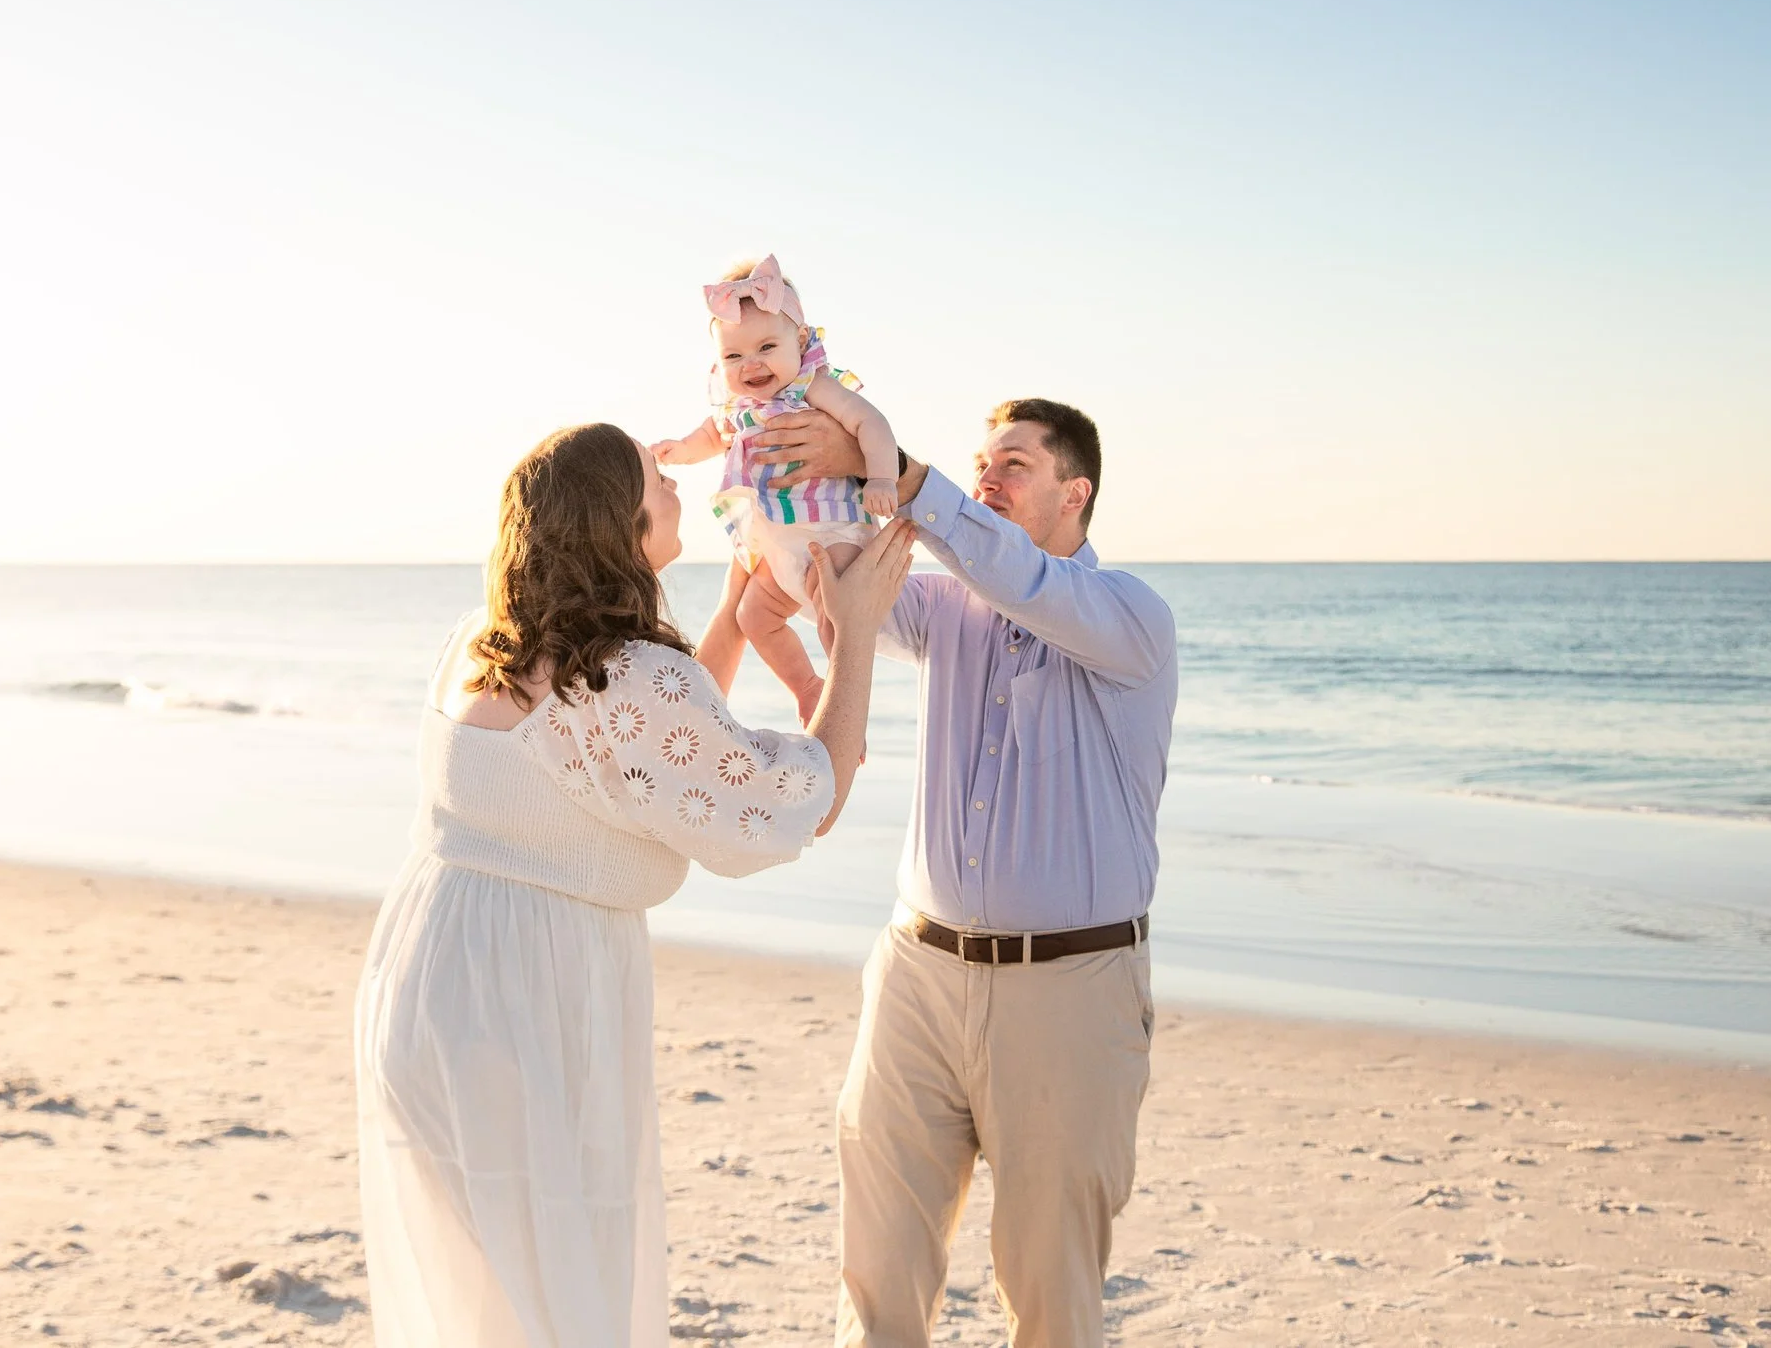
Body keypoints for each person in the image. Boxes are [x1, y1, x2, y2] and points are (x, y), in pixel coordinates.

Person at [353, 421, 916, 1347]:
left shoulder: (480, 642)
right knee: (559, 1288)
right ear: (615, 522)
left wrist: (735, 613)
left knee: (485, 1292)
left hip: (428, 979)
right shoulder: (626, 679)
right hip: (530, 998)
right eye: (657, 479)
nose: (676, 486)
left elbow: (652, 763)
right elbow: (797, 798)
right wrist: (853, 630)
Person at [749, 398, 1178, 1348]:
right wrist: (784, 438)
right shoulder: (946, 606)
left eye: (1015, 464)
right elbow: (828, 570)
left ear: (1078, 493)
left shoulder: (1131, 619)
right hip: (916, 980)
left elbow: (1020, 576)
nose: (987, 476)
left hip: (1071, 992)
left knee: (1051, 1291)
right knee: (877, 1278)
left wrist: (898, 468)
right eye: (982, 460)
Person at [653, 254, 900, 720]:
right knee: (753, 617)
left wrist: (883, 477)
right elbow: (712, 435)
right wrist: (680, 450)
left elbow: (871, 422)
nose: (751, 365)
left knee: (837, 615)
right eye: (733, 356)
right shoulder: (737, 405)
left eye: (767, 347)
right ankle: (807, 687)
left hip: (832, 533)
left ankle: (845, 711)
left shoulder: (811, 387)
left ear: (800, 340)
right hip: (779, 543)